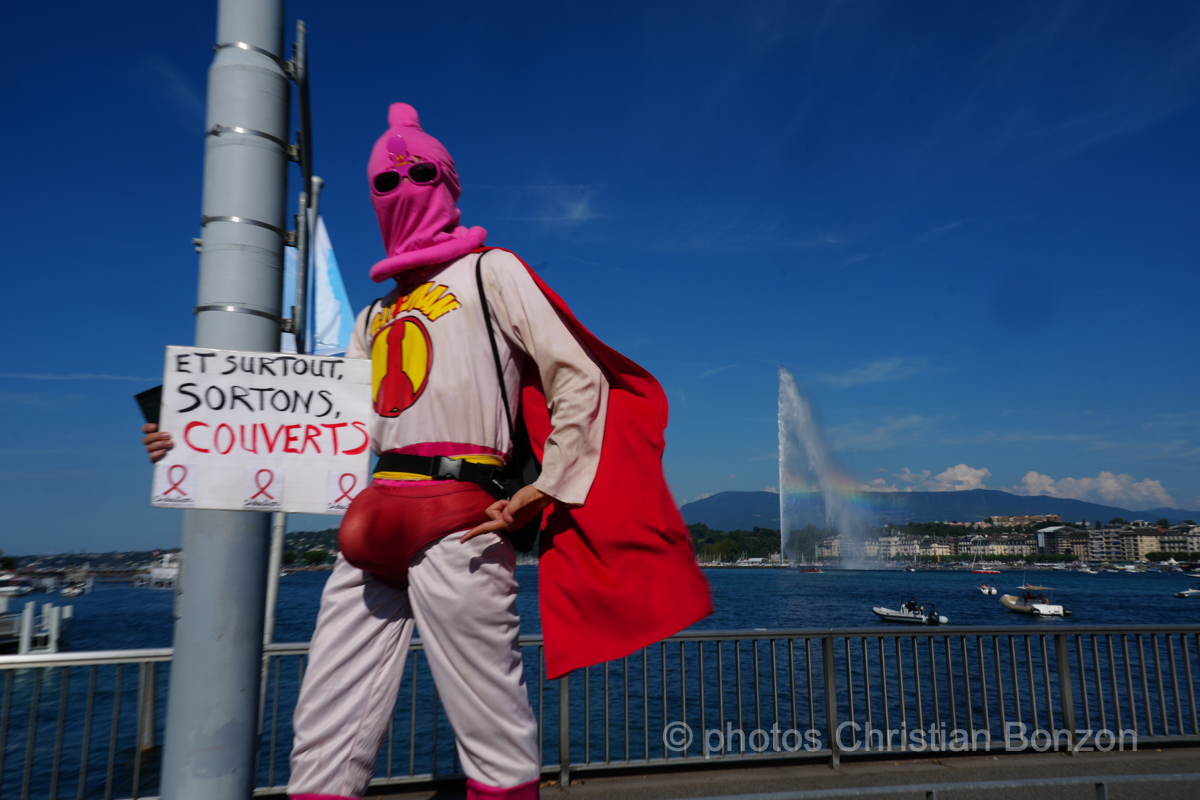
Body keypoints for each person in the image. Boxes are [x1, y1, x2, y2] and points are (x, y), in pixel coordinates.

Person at [144, 103, 711, 800]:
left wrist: (540, 491)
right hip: (373, 519)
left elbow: (577, 378)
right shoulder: (371, 317)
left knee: (491, 726)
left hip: (460, 515)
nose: (405, 187)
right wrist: (195, 447)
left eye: (420, 172)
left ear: (449, 181)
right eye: (386, 179)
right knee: (323, 728)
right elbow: (327, 434)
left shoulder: (490, 272)